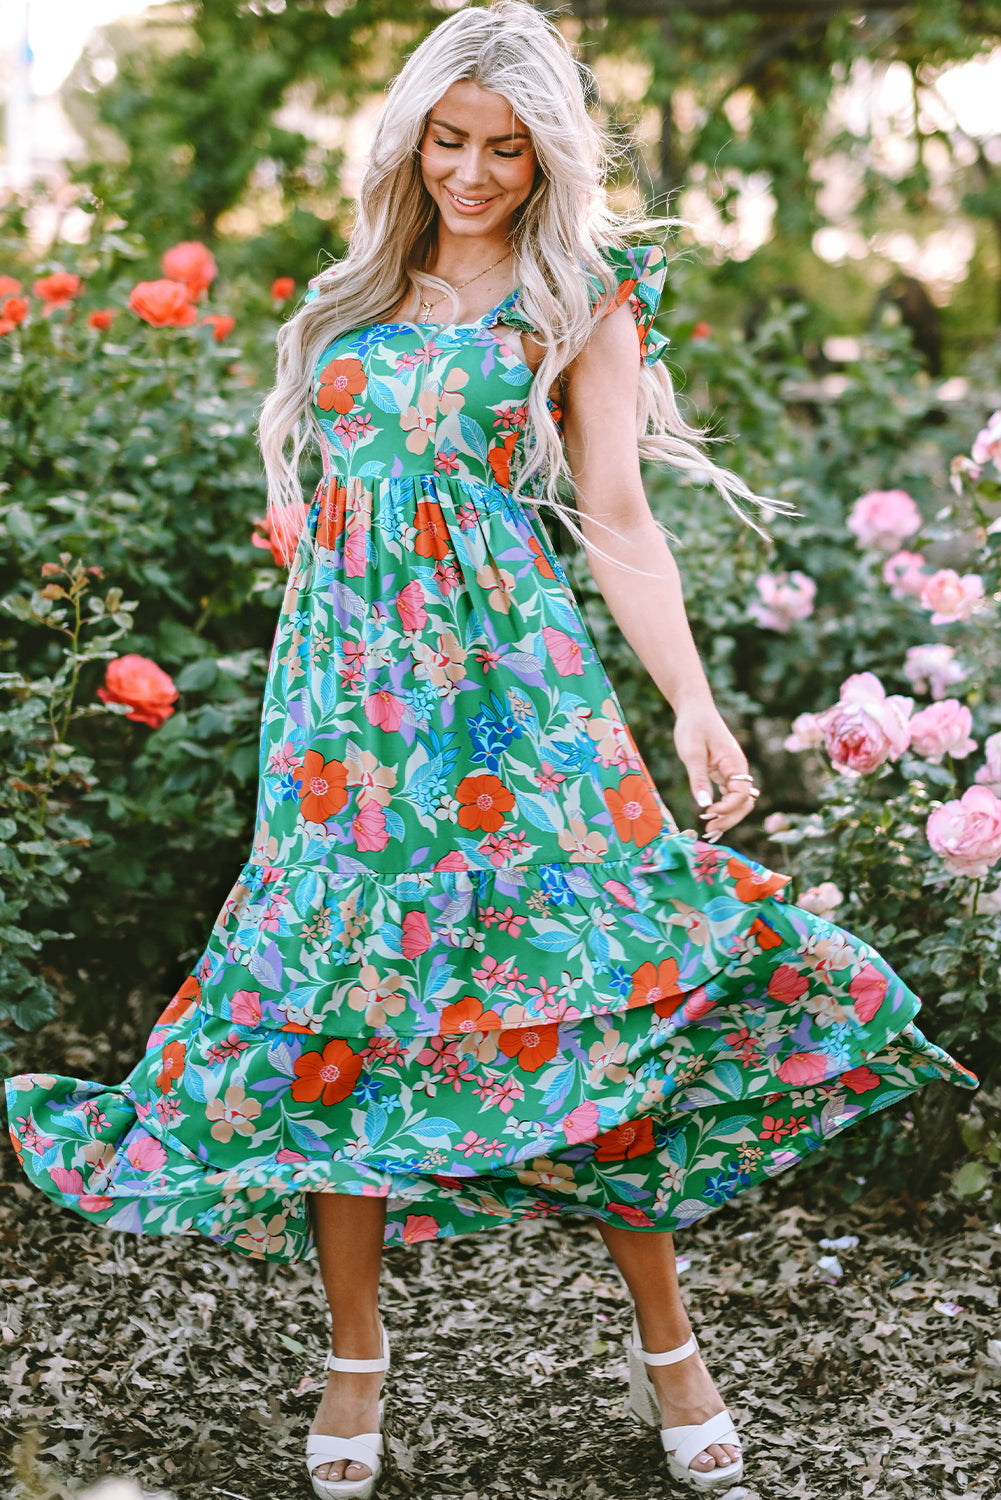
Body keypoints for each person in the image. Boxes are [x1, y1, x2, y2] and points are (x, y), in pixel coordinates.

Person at [5, 3, 979, 1496]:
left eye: (504, 151)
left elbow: (619, 515)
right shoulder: (356, 289)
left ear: (546, 159)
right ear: (411, 139)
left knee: (585, 992)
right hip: (341, 718)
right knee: (339, 994)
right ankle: (353, 1358)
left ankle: (670, 1349)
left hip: (514, 708)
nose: (470, 173)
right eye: (448, 142)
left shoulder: (575, 294)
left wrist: (692, 701)